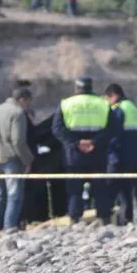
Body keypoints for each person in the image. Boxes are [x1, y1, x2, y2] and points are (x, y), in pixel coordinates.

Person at [52, 77, 113, 224]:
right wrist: (94, 142)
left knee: (74, 189)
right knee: (100, 188)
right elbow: (113, 128)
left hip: (73, 155)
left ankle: (75, 219)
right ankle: (103, 218)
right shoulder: (103, 104)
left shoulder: (66, 104)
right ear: (91, 88)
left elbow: (57, 128)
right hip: (97, 153)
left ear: (76, 88)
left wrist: (76, 143)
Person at [0, 88, 34, 232]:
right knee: (14, 194)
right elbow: (18, 141)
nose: (28, 106)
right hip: (11, 159)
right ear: (22, 99)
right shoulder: (17, 113)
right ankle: (9, 226)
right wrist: (27, 160)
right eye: (28, 102)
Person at [105, 84, 137, 225]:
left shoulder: (119, 109)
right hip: (132, 156)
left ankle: (110, 220)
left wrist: (109, 152)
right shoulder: (132, 106)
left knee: (112, 187)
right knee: (127, 189)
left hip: (119, 156)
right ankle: (127, 219)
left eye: (108, 98)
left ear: (114, 95)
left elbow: (115, 134)